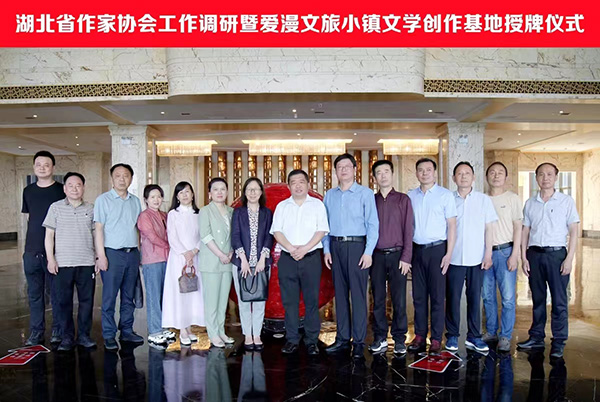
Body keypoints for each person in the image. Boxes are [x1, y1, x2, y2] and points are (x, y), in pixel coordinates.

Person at [517, 163, 579, 359]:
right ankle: (536, 337)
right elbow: (525, 231)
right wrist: (523, 257)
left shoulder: (566, 201)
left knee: (559, 301)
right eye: (541, 174)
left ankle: (559, 341)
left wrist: (569, 258)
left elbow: (574, 230)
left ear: (556, 177)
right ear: (536, 178)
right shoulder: (530, 203)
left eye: (549, 174)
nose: (545, 178)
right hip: (534, 255)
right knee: (538, 299)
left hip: (557, 255)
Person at [323, 153, 379, 359]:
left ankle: (359, 341)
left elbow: (373, 224)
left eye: (347, 166)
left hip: (357, 247)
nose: (343, 170)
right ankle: (342, 338)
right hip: (335, 246)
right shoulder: (330, 195)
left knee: (358, 296)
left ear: (355, 170)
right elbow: (325, 225)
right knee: (340, 295)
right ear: (335, 171)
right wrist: (326, 249)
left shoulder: (365, 194)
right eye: (340, 167)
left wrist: (368, 252)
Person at [271, 169, 329, 356]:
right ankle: (292, 339)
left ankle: (311, 340)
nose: (298, 186)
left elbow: (321, 230)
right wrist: (291, 248)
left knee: (311, 301)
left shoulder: (317, 205)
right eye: (293, 182)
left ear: (308, 184)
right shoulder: (282, 206)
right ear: (289, 186)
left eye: (301, 182)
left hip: (311, 257)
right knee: (290, 302)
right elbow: (277, 231)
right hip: (288, 258)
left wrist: (304, 249)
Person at [445, 162, 498, 354]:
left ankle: (474, 336)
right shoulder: (448, 199)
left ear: (473, 177)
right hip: (454, 258)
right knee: (452, 297)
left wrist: (488, 253)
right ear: (454, 178)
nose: (463, 176)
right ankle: (452, 334)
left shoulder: (483, 200)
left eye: (467, 173)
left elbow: (489, 228)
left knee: (475, 298)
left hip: (477, 258)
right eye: (459, 173)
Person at [407, 157, 457, 355]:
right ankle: (419, 335)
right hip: (417, 250)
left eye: (428, 169)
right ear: (416, 173)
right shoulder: (410, 196)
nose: (425, 173)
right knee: (418, 297)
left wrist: (449, 254)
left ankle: (436, 338)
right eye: (421, 170)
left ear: (434, 172)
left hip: (438, 250)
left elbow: (452, 226)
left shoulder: (445, 195)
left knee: (437, 297)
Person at [43, 172, 96, 351]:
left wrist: (98, 257)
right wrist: (51, 259)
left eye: (78, 185)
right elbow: (49, 235)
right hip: (62, 263)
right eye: (71, 185)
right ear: (65, 189)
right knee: (63, 302)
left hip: (86, 262)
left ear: (83, 188)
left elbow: (97, 234)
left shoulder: (91, 208)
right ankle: (66, 337)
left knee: (86, 302)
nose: (75, 189)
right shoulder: (55, 208)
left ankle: (84, 336)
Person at [94, 163, 143, 350]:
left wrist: (140, 252)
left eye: (126, 175)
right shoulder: (103, 200)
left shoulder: (135, 201)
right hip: (112, 254)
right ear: (112, 178)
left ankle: (127, 330)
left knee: (129, 296)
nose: (122, 179)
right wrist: (101, 256)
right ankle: (108, 334)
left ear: (131, 179)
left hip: (132, 254)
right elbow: (98, 229)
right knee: (109, 297)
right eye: (118, 176)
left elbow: (138, 229)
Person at [369, 160, 414, 356]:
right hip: (376, 256)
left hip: (398, 256)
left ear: (392, 174)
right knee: (377, 298)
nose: (383, 175)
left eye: (386, 171)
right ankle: (379, 337)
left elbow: (408, 230)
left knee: (399, 300)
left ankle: (399, 339)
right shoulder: (371, 200)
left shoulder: (403, 199)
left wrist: (406, 257)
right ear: (374, 178)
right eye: (379, 172)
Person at [22, 150, 65, 346]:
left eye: (46, 164)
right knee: (34, 294)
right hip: (31, 250)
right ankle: (36, 331)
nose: (42, 168)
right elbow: (29, 218)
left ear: (53, 167)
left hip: (55, 251)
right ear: (33, 167)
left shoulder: (61, 190)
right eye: (38, 164)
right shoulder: (28, 191)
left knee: (57, 293)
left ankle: (58, 329)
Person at [482, 162, 523, 352]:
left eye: (500, 172)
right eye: (492, 172)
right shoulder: (482, 199)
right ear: (486, 177)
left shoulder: (512, 198)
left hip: (505, 251)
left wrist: (515, 254)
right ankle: (491, 331)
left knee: (507, 298)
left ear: (506, 177)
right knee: (487, 296)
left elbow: (518, 228)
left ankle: (505, 335)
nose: (496, 175)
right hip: (485, 253)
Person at [231, 178, 273, 351]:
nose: (253, 192)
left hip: (262, 263)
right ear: (245, 192)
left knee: (259, 300)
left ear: (261, 192)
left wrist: (263, 258)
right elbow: (235, 236)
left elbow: (270, 236)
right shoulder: (238, 212)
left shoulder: (267, 213)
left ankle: (257, 334)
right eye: (249, 189)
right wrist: (243, 260)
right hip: (241, 263)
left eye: (256, 189)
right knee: (244, 300)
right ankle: (247, 334)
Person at [161, 181, 205, 346]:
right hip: (178, 257)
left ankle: (190, 327)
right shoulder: (173, 214)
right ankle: (182, 329)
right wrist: (185, 253)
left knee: (193, 291)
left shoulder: (199, 214)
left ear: (192, 194)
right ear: (177, 197)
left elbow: (203, 235)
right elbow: (172, 236)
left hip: (195, 257)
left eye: (187, 191)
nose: (185, 195)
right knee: (180, 291)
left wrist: (194, 251)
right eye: (181, 193)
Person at [137, 184, 174, 347]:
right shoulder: (144, 216)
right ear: (146, 199)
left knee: (165, 296)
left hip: (167, 259)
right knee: (154, 295)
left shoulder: (165, 215)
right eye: (152, 197)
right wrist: (171, 246)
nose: (156, 200)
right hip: (152, 260)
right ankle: (154, 331)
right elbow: (152, 237)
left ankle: (163, 327)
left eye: (159, 196)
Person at [198, 178, 234, 348]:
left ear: (227, 192)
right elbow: (205, 235)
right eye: (215, 189)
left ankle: (221, 331)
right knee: (211, 301)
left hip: (228, 261)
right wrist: (220, 254)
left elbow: (235, 235)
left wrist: (231, 253)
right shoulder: (205, 211)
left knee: (223, 300)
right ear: (210, 193)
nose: (219, 192)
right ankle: (213, 333)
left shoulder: (231, 211)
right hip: (212, 261)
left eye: (222, 189)